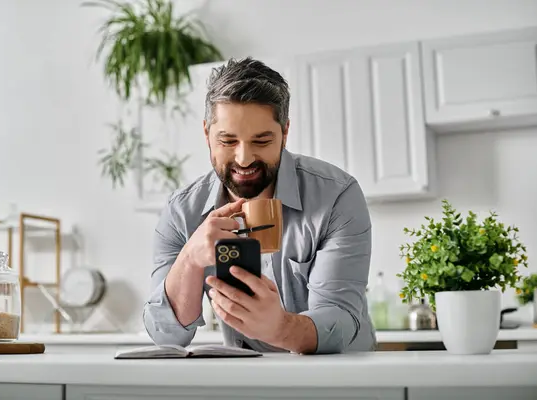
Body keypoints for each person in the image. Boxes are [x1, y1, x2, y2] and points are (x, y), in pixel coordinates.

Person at [143, 57, 376, 354]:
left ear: (285, 132)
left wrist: (281, 329)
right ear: (206, 134)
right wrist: (190, 258)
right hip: (249, 380)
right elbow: (166, 335)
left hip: (341, 380)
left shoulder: (337, 195)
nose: (244, 159)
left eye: (262, 141)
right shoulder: (181, 212)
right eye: (228, 141)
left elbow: (341, 318)